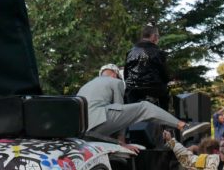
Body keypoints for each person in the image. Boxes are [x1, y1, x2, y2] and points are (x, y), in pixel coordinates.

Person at [78, 64, 210, 152]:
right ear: (114, 74)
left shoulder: (85, 86)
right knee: (144, 107)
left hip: (83, 131)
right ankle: (184, 126)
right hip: (99, 119)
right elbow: (119, 109)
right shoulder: (115, 81)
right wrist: (122, 142)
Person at [124, 25, 169, 110]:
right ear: (154, 37)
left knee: (128, 94)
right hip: (154, 89)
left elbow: (126, 74)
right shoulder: (158, 53)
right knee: (165, 96)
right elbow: (165, 75)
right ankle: (164, 119)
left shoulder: (130, 52)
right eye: (158, 36)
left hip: (133, 91)